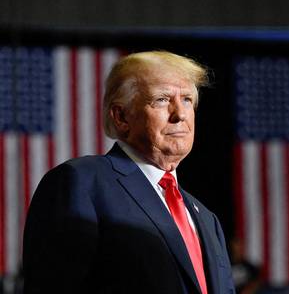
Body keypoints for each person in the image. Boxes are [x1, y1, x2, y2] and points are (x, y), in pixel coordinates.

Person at [23, 51, 235, 294]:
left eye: (187, 99)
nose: (180, 114)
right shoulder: (82, 183)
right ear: (121, 116)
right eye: (162, 100)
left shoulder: (208, 220)